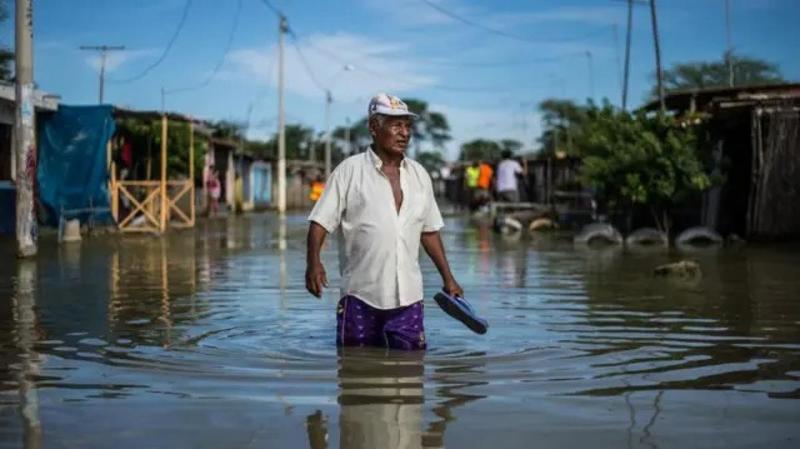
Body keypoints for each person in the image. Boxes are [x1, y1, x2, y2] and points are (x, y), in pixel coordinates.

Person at [305, 93, 463, 351]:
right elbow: (320, 222)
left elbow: (430, 232)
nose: (405, 133)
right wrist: (313, 263)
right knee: (354, 368)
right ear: (374, 128)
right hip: (360, 295)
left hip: (409, 298)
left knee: (411, 375)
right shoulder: (349, 171)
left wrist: (449, 279)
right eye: (396, 125)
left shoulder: (419, 175)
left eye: (408, 126)